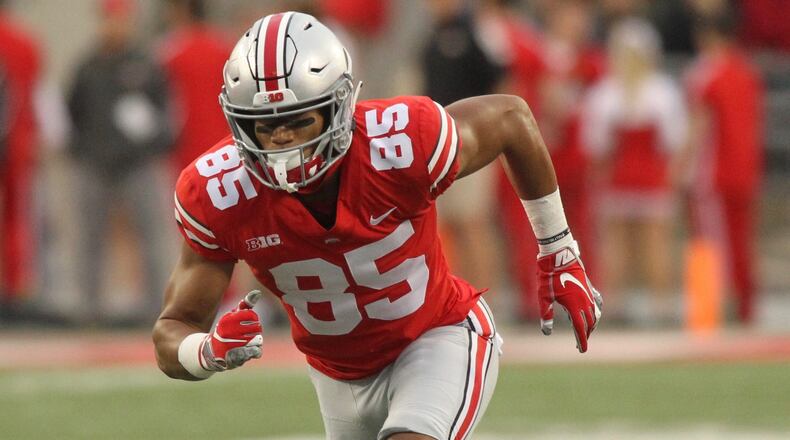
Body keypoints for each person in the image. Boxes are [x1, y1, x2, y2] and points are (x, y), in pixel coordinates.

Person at [153, 12, 602, 440]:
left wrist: (558, 249)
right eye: (265, 126)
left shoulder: (399, 144)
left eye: (298, 121)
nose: (282, 140)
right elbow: (172, 329)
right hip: (336, 376)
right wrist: (205, 351)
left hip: (435, 336)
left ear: (339, 109)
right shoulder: (218, 192)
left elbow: (510, 118)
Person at [67, 0, 175, 325]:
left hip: (136, 164)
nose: (115, 27)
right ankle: (89, 311)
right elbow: (72, 111)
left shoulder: (145, 65)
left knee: (151, 236)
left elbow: (164, 111)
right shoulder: (87, 66)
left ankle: (159, 309)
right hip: (94, 164)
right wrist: (84, 149)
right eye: (110, 20)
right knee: (89, 238)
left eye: (121, 20)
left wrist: (152, 144)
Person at [582, 18, 687, 323]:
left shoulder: (604, 94)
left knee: (616, 244)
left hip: (619, 175)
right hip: (652, 177)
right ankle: (662, 305)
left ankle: (614, 305)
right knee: (655, 243)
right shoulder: (662, 91)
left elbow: (597, 145)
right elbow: (674, 140)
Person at [683, 7, 764, 324]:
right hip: (746, 169)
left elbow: (698, 126)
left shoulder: (706, 74)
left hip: (715, 174)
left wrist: (680, 167)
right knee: (742, 241)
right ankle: (746, 304)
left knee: (713, 241)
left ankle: (717, 305)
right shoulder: (748, 72)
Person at [0, 1, 42, 320]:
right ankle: (15, 286)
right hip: (17, 144)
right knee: (16, 217)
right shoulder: (26, 44)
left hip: (14, 141)